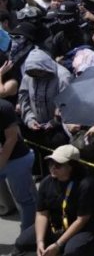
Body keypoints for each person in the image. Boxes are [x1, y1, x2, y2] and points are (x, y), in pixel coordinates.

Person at [13, 145, 94, 256]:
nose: (52, 168)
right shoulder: (46, 182)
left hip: (83, 226)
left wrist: (58, 244)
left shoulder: (86, 185)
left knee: (72, 251)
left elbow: (82, 220)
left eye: (58, 165)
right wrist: (40, 242)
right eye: (51, 163)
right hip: (58, 223)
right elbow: (42, 213)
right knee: (21, 243)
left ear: (72, 166)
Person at [0, 95, 36, 231]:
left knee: (24, 199)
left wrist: (1, 164)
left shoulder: (4, 107)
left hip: (16, 158)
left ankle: (28, 235)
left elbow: (11, 138)